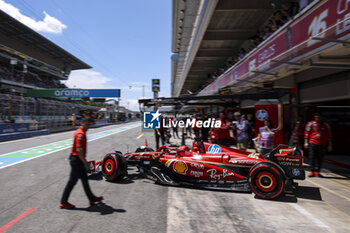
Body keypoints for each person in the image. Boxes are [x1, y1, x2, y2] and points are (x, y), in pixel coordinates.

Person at [60, 118, 103, 209]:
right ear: (82, 123)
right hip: (77, 160)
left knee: (84, 179)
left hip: (77, 160)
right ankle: (63, 202)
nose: (88, 126)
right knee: (72, 181)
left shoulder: (81, 132)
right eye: (87, 124)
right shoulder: (80, 133)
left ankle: (91, 198)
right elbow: (79, 149)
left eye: (89, 124)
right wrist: (85, 162)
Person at [304, 113, 332, 177]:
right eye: (316, 117)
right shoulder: (311, 124)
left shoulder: (325, 125)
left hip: (322, 144)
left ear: (321, 118)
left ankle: (318, 171)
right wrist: (306, 142)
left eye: (318, 117)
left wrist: (330, 145)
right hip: (312, 143)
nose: (317, 118)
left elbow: (329, 136)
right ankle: (312, 171)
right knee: (312, 157)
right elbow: (306, 133)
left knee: (320, 158)